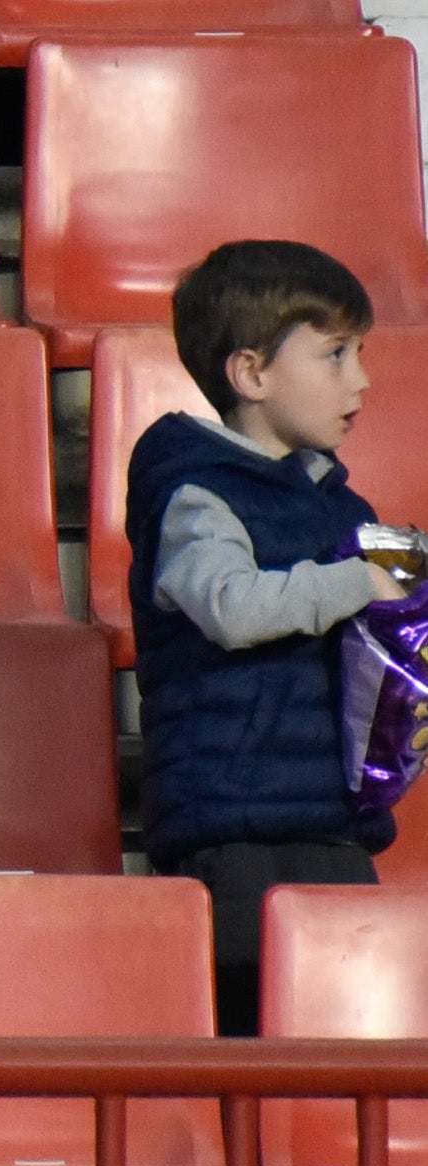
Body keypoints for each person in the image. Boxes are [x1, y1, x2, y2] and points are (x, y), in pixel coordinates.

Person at [125, 239, 412, 1031]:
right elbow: (231, 605)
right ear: (250, 374)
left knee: (339, 1050)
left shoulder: (340, 509)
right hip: (236, 839)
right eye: (333, 354)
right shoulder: (193, 492)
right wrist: (361, 580)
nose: (358, 379)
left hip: (332, 827)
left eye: (358, 353)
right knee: (253, 1050)